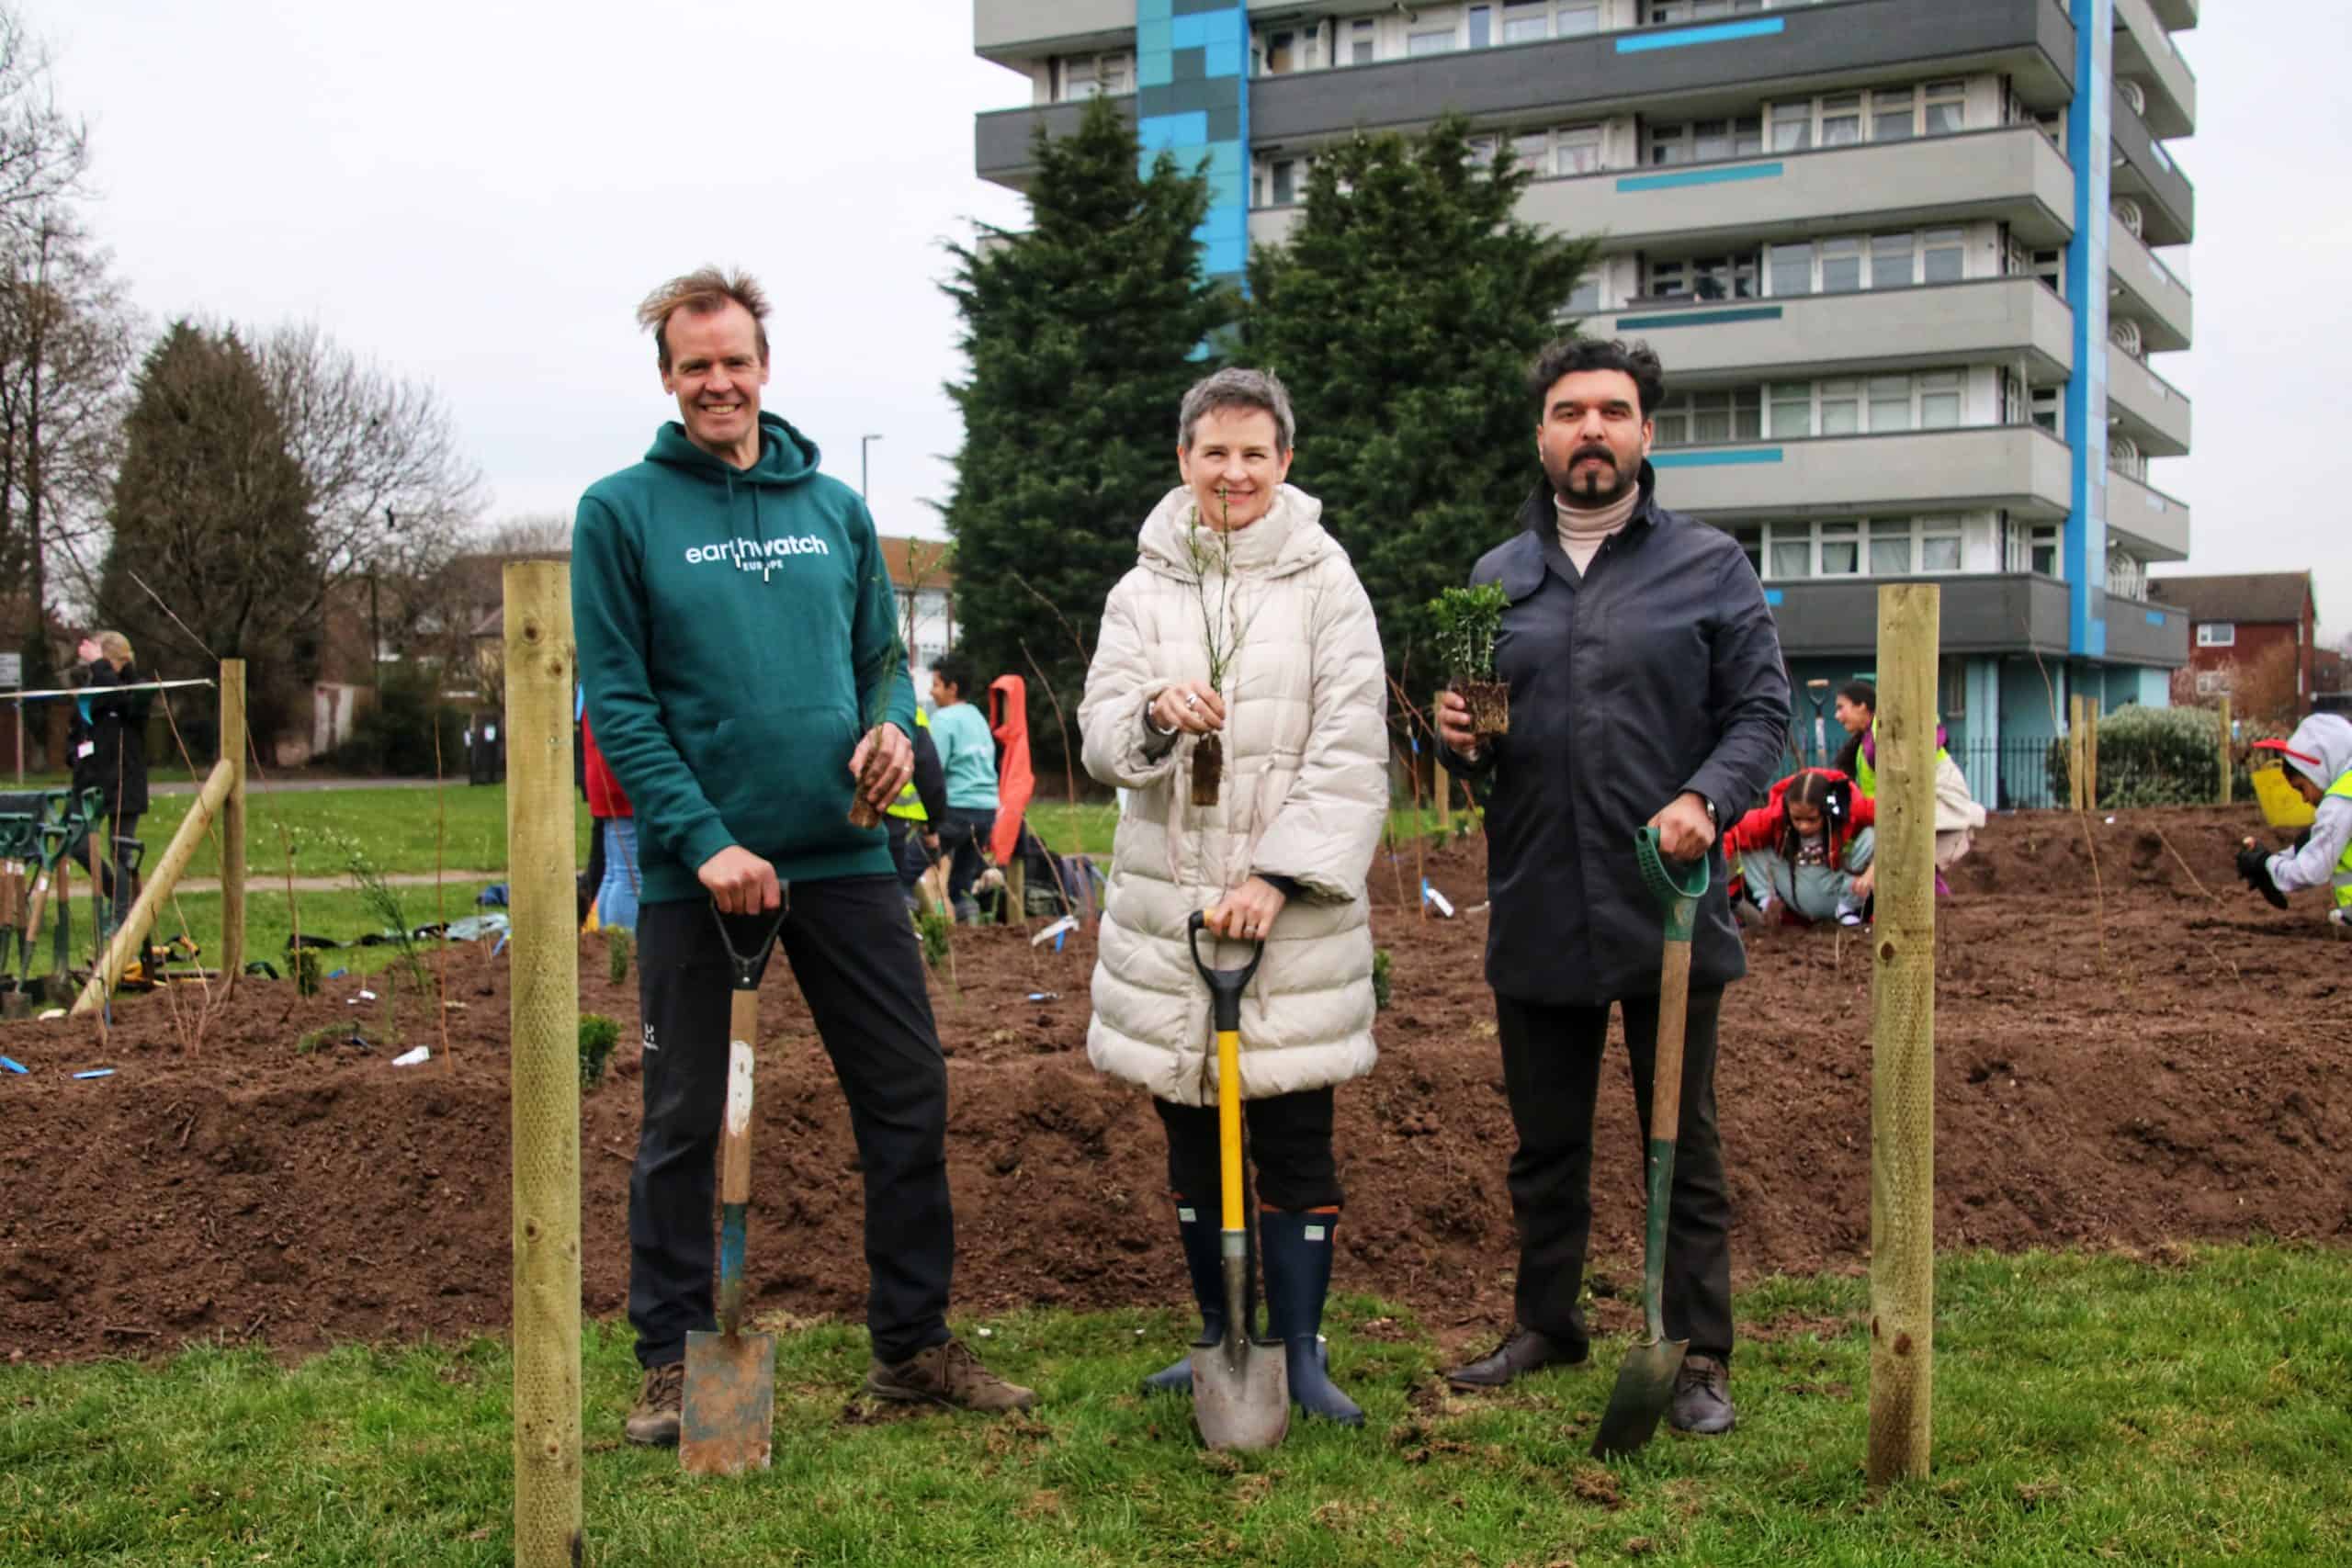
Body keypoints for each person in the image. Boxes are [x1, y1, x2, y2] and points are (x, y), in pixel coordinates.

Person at [572, 267, 1035, 1445]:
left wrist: (893, 723)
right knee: (683, 1118)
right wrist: (706, 839)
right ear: (669, 379)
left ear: (764, 367)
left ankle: (912, 1349)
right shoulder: (620, 512)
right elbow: (618, 705)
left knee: (907, 1090)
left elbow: (882, 653)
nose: (718, 382)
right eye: (695, 366)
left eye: (735, 361)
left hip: (840, 857)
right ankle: (673, 1362)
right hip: (700, 874)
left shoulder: (831, 507)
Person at [1433, 338, 1791, 1438]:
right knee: (1544, 1143)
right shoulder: (1492, 582)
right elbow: (1480, 752)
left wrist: (1704, 799)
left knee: (1679, 1143)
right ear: (1541, 435)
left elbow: (1762, 716)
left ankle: (1695, 1355)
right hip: (1540, 895)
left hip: (1667, 905)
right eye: (1569, 411)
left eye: (1613, 411)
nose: (1591, 429)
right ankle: (1548, 1322)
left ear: (1646, 433)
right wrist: (1456, 740)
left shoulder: (1710, 567)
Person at [1079, 367, 1388, 1427]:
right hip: (1172, 915)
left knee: (1294, 1132)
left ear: (1285, 462)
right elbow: (1102, 738)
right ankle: (1219, 1335)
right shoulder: (1141, 588)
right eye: (1214, 451)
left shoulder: (1325, 583)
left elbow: (1351, 748)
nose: (1234, 471)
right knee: (1189, 1132)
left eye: (1255, 452)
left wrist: (1274, 878)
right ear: (1183, 459)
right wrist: (1157, 716)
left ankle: (1298, 1351)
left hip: (1288, 921)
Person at [1832, 680, 1983, 874]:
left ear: (1861, 706)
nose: (1837, 716)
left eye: (1841, 708)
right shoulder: (1864, 748)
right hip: (1911, 809)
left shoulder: (1885, 727)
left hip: (1939, 794)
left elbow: (1923, 727)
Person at [67, 632, 153, 928]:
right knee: (77, 843)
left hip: (124, 784)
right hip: (89, 783)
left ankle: (121, 920)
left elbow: (118, 698)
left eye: (102, 661)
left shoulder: (135, 690)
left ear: (117, 661)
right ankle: (119, 894)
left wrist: (102, 666)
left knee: (122, 852)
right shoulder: (93, 689)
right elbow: (78, 728)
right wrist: (75, 757)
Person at [1722, 769, 1876, 927]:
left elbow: (1893, 819)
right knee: (1749, 840)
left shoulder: (1851, 809)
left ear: (1826, 811)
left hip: (1836, 889)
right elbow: (1732, 831)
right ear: (1788, 811)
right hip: (1794, 889)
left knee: (1872, 836)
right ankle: (1769, 904)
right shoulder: (1774, 816)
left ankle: (1846, 909)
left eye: (1811, 819)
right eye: (1797, 819)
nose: (1803, 826)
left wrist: (1873, 870)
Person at [2237, 713, 2352, 922]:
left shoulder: (2341, 801)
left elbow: (2310, 871)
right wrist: (2285, 857)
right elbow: (2328, 843)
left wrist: (2266, 864)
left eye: (2301, 788)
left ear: (2318, 769)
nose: (2305, 799)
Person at [926, 652, 1000, 921]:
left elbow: (933, 772)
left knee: (908, 867)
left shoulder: (943, 720)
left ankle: (909, 925)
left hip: (957, 809)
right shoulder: (977, 717)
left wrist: (928, 819)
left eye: (935, 684)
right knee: (960, 882)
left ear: (952, 687)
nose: (931, 692)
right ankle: (969, 932)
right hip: (986, 811)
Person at [882, 705, 948, 909]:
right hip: (890, 818)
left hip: (835, 818)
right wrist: (933, 824)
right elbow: (930, 773)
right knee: (887, 895)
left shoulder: (837, 700)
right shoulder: (908, 710)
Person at [580, 713, 641, 931]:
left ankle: (609, 944)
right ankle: (624, 948)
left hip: (605, 779)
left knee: (615, 872)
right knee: (628, 875)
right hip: (621, 782)